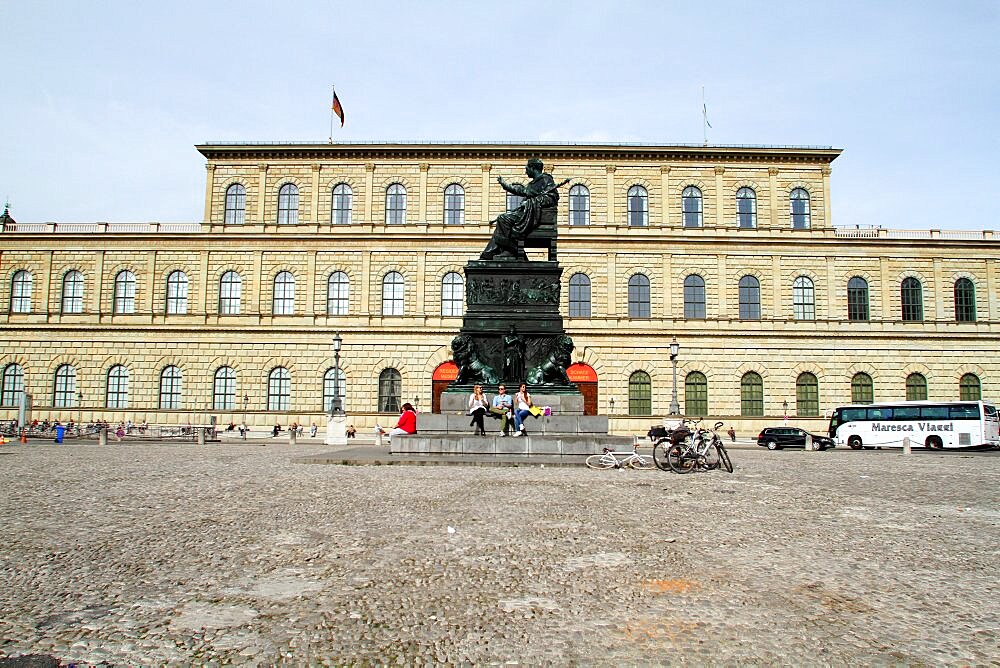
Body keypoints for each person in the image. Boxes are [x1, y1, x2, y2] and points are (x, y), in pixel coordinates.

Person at [480, 158, 560, 261]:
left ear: (533, 168)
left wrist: (532, 202)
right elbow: (523, 191)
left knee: (504, 219)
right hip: (528, 213)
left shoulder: (545, 179)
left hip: (536, 216)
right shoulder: (533, 183)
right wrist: (506, 186)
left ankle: (508, 251)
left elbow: (552, 198)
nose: (526, 170)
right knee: (503, 219)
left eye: (527, 168)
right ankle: (498, 250)